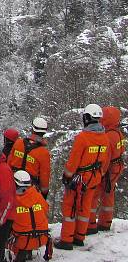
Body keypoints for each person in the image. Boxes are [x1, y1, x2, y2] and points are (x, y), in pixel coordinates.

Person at [55, 103, 111, 250]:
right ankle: (79, 236)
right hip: (95, 178)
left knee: (70, 207)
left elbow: (73, 161)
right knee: (85, 207)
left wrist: (67, 176)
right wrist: (99, 175)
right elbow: (105, 162)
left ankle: (67, 239)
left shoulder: (83, 138)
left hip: (79, 179)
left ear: (86, 118)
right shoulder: (105, 138)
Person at [89, 106, 126, 233]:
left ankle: (90, 223)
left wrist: (101, 173)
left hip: (109, 169)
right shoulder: (118, 133)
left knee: (94, 194)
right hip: (117, 166)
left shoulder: (109, 136)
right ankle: (105, 222)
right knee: (108, 193)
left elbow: (106, 157)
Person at [9, 171, 51, 262]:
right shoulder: (38, 196)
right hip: (42, 238)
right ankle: (28, 252)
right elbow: (46, 210)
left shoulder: (13, 200)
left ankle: (17, 254)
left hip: (22, 240)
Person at [7, 117, 51, 197]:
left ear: (32, 129)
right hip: (30, 190)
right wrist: (44, 194)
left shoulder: (18, 143)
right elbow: (45, 177)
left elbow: (8, 164)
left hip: (11, 185)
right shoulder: (44, 153)